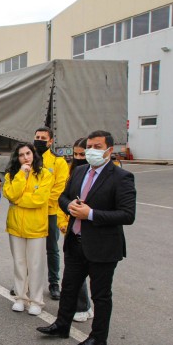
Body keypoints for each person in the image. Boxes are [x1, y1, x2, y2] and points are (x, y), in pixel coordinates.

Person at [37, 130, 136, 345]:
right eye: (89, 146)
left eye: (97, 147)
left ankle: (98, 338)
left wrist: (90, 214)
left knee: (101, 295)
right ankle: (62, 326)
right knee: (69, 288)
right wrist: (69, 206)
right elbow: (63, 196)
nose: (91, 151)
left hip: (103, 246)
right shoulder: (80, 171)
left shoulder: (121, 177)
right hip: (76, 241)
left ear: (110, 150)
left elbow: (127, 215)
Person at [3, 143, 52, 316]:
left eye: (28, 153)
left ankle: (36, 300)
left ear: (34, 154)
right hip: (16, 226)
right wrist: (22, 175)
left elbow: (40, 199)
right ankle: (20, 298)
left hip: (36, 227)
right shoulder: (12, 175)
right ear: (17, 157)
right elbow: (10, 194)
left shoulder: (45, 174)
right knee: (19, 264)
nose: (26, 157)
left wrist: (17, 201)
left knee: (36, 265)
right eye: (22, 154)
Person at [58, 138, 94, 323]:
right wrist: (64, 219)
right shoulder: (75, 172)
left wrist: (90, 213)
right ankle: (81, 306)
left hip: (94, 231)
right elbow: (64, 197)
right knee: (74, 273)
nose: (79, 158)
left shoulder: (106, 174)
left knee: (89, 273)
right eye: (76, 154)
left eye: (83, 154)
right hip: (73, 230)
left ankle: (84, 305)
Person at [33, 127, 69, 301]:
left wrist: (39, 201)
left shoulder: (58, 162)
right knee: (28, 250)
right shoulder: (28, 158)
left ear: (50, 141)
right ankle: (24, 282)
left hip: (50, 212)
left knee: (52, 249)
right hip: (30, 212)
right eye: (37, 137)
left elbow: (59, 189)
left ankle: (54, 283)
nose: (39, 140)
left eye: (43, 138)